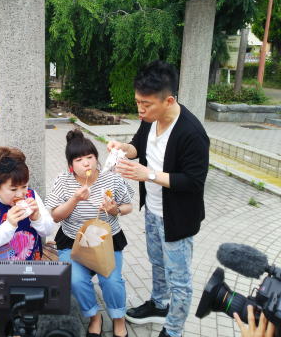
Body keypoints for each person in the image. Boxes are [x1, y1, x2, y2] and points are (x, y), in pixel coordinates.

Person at [108, 60, 210, 337]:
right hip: (153, 211)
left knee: (180, 279)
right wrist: (123, 148)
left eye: (146, 104)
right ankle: (159, 304)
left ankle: (174, 329)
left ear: (169, 100)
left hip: (179, 218)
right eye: (137, 102)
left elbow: (193, 181)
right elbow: (137, 146)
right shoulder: (150, 121)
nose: (140, 110)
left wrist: (148, 174)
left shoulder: (192, 133)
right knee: (156, 261)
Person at [45, 129, 134, 337]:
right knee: (75, 280)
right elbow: (56, 216)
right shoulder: (63, 181)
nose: (86, 163)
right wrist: (75, 199)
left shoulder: (110, 178)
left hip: (107, 240)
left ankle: (118, 318)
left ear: (96, 159)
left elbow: (128, 206)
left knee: (111, 280)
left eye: (90, 157)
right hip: (73, 241)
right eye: (79, 160)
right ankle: (95, 317)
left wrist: (115, 210)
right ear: (70, 166)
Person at [0, 146, 56, 336]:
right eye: (13, 189)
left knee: (26, 322)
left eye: (24, 186)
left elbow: (48, 229)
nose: (20, 194)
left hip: (26, 272)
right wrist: (9, 225)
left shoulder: (31, 196)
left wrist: (37, 217)